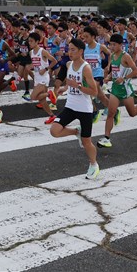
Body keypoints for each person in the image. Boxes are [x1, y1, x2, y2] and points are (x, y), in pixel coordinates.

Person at [50, 38, 101, 179]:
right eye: (69, 49)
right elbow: (70, 82)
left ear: (81, 51)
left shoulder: (86, 68)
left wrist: (77, 86)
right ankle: (75, 131)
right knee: (54, 131)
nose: (69, 52)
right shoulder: (68, 64)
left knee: (86, 142)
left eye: (73, 50)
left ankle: (93, 164)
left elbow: (94, 92)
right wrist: (64, 88)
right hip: (70, 106)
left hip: (85, 109)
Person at [97, 33, 137, 148]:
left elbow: (135, 71)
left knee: (132, 113)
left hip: (126, 90)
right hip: (116, 89)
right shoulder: (112, 56)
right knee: (110, 113)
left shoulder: (126, 56)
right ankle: (106, 138)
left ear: (121, 45)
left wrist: (124, 78)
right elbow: (115, 71)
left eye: (114, 45)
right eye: (110, 44)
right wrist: (109, 77)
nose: (111, 47)